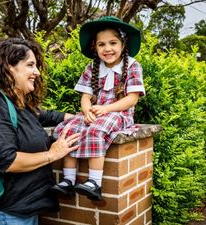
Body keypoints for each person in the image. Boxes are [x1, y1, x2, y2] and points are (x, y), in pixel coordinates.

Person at [0, 38, 80, 225]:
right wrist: (52, 154)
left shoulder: (18, 106)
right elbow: (8, 161)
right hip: (7, 214)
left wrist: (80, 117)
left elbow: (46, 116)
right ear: (8, 67)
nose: (36, 73)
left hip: (25, 211)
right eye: (30, 65)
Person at [51, 16, 145, 201]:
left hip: (120, 114)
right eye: (101, 44)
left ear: (123, 44)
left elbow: (132, 99)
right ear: (95, 47)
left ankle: (95, 183)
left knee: (96, 130)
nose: (107, 49)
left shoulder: (133, 66)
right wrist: (87, 111)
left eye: (113, 43)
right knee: (71, 129)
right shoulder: (92, 67)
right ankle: (68, 180)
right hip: (96, 112)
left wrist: (106, 109)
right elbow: (86, 97)